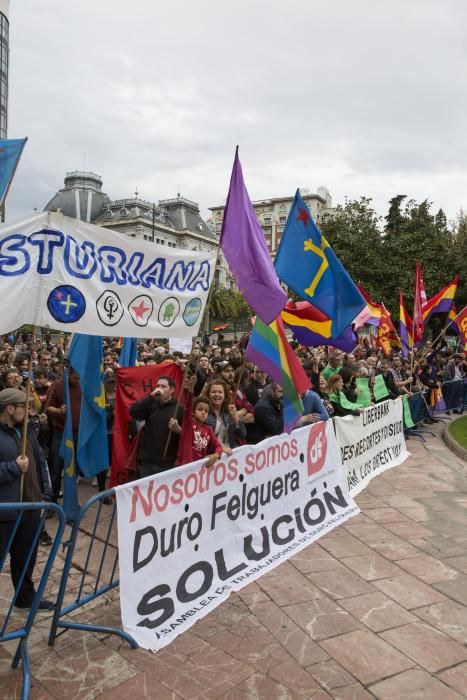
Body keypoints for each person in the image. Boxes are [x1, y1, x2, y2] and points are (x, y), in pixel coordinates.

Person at [0, 388, 54, 610]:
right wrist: (13, 467)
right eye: (25, 406)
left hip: (30, 505)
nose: (30, 411)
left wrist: (46, 493)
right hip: (5, 511)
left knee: (25, 557)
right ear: (10, 408)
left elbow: (40, 460)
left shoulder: (27, 429)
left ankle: (25, 597)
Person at [129, 375, 184, 478]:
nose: (159, 389)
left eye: (163, 386)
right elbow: (133, 412)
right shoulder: (151, 403)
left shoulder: (180, 408)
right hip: (147, 461)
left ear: (172, 389)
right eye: (158, 386)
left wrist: (178, 430)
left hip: (168, 462)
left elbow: (188, 435)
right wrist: (151, 396)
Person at [176, 378, 227, 467]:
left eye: (206, 411)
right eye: (200, 409)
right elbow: (188, 407)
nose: (203, 412)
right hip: (183, 467)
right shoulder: (189, 423)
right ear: (193, 412)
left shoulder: (208, 429)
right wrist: (191, 390)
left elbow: (218, 446)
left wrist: (216, 455)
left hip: (199, 468)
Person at [202, 380, 247, 450]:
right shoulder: (204, 413)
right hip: (213, 455)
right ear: (208, 394)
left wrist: (235, 419)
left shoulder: (229, 412)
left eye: (220, 392)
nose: (217, 394)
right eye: (213, 392)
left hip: (229, 455)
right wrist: (221, 447)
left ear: (225, 395)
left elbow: (242, 435)